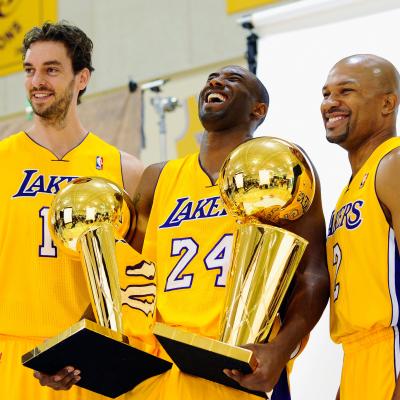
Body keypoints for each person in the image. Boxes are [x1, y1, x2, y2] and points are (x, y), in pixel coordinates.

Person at [37, 65, 329, 399]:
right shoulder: (157, 178)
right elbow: (125, 276)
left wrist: (281, 349)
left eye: (233, 80)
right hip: (159, 369)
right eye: (211, 79)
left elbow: (313, 274)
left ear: (258, 110)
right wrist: (78, 347)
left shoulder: (276, 170)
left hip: (233, 365)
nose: (216, 82)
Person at [0, 22, 144, 400]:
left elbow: (140, 276)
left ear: (82, 78)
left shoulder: (124, 170)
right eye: (30, 70)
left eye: (51, 69)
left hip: (89, 357)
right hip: (13, 354)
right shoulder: (2, 160)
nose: (37, 81)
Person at [321, 54, 400, 400]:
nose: (330, 103)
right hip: (358, 361)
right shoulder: (352, 186)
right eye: (325, 94)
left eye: (346, 91)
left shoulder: (393, 164)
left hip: (391, 357)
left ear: (387, 103)